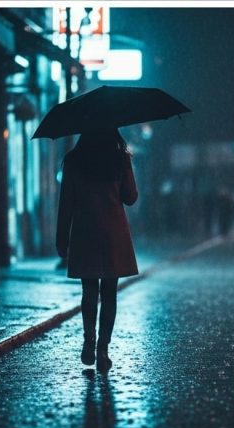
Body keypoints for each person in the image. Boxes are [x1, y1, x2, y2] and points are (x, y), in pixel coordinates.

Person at [56, 128, 139, 372]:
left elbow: (66, 202)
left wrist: (62, 238)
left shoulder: (74, 160)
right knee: (110, 292)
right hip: (113, 233)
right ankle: (103, 349)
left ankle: (89, 339)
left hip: (85, 232)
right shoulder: (120, 158)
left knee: (89, 290)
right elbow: (131, 197)